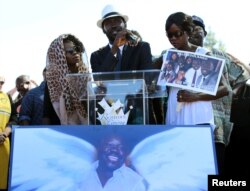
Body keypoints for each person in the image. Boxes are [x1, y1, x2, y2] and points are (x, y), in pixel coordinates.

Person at [189, 14, 250, 175]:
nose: (194, 32)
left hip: (217, 127)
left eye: (198, 28)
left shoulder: (220, 55)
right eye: (190, 29)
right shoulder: (180, 57)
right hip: (188, 124)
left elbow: (244, 72)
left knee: (216, 171)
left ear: (205, 33)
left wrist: (232, 92)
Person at [90, 4, 161, 124]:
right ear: (103, 30)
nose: (113, 25)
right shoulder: (97, 56)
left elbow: (147, 79)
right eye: (108, 22)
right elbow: (99, 80)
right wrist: (114, 48)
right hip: (110, 113)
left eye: (117, 20)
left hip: (137, 111)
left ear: (125, 25)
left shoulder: (141, 47)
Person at [43, 34, 90, 125]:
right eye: (70, 51)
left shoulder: (87, 77)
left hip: (87, 128)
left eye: (76, 49)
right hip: (60, 131)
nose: (75, 53)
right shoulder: (53, 81)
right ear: (59, 55)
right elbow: (46, 114)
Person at [79, 134, 147, 191]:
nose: (115, 150)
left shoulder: (135, 182)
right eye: (109, 145)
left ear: (125, 153)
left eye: (121, 147)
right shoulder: (80, 175)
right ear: (99, 148)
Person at [0, 76, 17, 190]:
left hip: (3, 143)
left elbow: (14, 118)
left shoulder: (7, 98)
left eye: (1, 82)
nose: (0, 84)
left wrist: (5, 133)